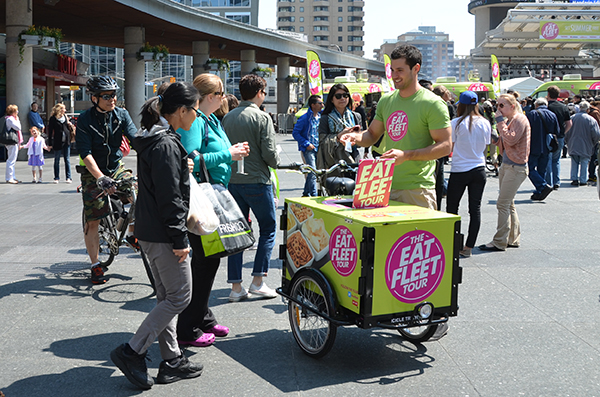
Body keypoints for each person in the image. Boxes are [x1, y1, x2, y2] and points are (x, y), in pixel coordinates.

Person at [110, 81, 203, 390]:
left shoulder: (158, 140)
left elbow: (163, 186)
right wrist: (180, 240)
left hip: (150, 230)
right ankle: (132, 350)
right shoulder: (164, 144)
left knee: (167, 296)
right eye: (195, 110)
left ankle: (172, 359)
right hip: (164, 234)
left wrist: (182, 167)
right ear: (181, 111)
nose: (197, 116)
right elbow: (170, 198)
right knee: (180, 296)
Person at [176, 73, 249, 347]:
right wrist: (229, 155)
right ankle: (189, 325)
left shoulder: (209, 119)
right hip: (201, 198)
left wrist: (231, 151)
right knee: (206, 260)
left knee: (211, 257)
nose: (224, 97)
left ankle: (202, 316)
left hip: (212, 194)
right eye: (220, 94)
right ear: (210, 96)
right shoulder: (195, 121)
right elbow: (191, 158)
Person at [339, 44, 451, 210]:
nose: (394, 76)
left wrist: (406, 155)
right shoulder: (387, 100)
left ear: (416, 69)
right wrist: (354, 138)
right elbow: (371, 135)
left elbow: (445, 146)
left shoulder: (432, 103)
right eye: (392, 70)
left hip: (417, 189)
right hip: (383, 185)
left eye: (400, 70)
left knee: (416, 236)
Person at [222, 74, 280, 302]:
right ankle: (258, 281)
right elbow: (270, 155)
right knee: (268, 228)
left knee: (236, 232)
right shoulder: (262, 117)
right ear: (259, 93)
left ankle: (236, 287)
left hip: (233, 181)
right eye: (264, 92)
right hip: (257, 180)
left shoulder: (228, 117)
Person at [75, 76, 137, 284]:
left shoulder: (121, 115)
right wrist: (100, 177)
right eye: (106, 96)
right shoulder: (84, 119)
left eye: (114, 95)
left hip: (115, 167)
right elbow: (85, 153)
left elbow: (135, 139)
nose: (112, 99)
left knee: (138, 194)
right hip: (93, 171)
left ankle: (130, 233)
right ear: (94, 98)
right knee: (93, 220)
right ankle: (95, 264)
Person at [479, 94, 530, 252]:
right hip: (508, 165)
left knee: (502, 204)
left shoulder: (519, 120)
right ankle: (512, 238)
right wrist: (494, 136)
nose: (498, 109)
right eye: (498, 105)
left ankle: (500, 241)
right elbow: (504, 142)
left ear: (512, 106)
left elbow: (511, 139)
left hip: (516, 167)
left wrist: (499, 122)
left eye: (502, 106)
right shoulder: (511, 120)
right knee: (509, 204)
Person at [446, 91, 490, 258]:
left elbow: (451, 146)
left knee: (452, 208)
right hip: (479, 168)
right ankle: (468, 247)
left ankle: (453, 243)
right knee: (475, 209)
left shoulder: (455, 123)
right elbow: (485, 145)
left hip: (459, 169)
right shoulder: (485, 123)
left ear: (461, 105)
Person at [317, 83, 363, 169]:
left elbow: (362, 142)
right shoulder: (325, 118)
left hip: (353, 158)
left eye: (345, 95)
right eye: (338, 96)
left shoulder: (356, 116)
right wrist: (339, 136)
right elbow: (322, 141)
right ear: (331, 99)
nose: (342, 98)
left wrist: (356, 136)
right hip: (333, 160)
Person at [526, 98, 559, 201]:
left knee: (529, 169)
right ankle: (540, 191)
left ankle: (542, 186)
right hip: (547, 146)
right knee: (542, 169)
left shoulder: (531, 114)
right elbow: (557, 131)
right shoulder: (552, 114)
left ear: (536, 105)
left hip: (533, 145)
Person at [291, 94, 323, 196]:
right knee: (312, 172)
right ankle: (314, 196)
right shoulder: (304, 118)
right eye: (320, 103)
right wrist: (306, 144)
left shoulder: (321, 117)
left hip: (320, 148)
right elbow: (295, 133)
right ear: (313, 105)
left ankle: (306, 193)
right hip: (309, 149)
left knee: (313, 172)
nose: (322, 105)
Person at [565, 101, 600, 186]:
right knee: (584, 161)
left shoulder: (572, 118)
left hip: (573, 143)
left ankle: (574, 179)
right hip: (586, 144)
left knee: (574, 161)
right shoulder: (591, 119)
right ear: (587, 109)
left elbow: (566, 131)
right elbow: (596, 134)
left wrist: (567, 141)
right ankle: (583, 180)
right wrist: (594, 142)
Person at [545, 85, 572, 190]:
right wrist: (563, 132)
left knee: (548, 159)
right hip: (559, 136)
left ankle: (549, 182)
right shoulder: (563, 107)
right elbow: (569, 123)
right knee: (556, 160)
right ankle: (557, 181)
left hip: (547, 136)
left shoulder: (546, 106)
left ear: (548, 94)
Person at [47, 103, 74, 184]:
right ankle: (56, 177)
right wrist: (50, 143)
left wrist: (69, 123)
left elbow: (68, 127)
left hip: (66, 140)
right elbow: (50, 131)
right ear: (59, 109)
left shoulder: (65, 117)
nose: (65, 110)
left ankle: (68, 177)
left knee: (67, 159)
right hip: (57, 141)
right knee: (57, 160)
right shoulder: (53, 119)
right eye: (63, 109)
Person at [4, 104, 23, 184]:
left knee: (12, 160)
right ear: (13, 112)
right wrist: (17, 120)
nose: (17, 112)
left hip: (12, 142)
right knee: (11, 160)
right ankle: (9, 177)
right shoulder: (11, 119)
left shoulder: (9, 119)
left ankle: (12, 176)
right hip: (12, 142)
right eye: (16, 111)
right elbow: (18, 127)